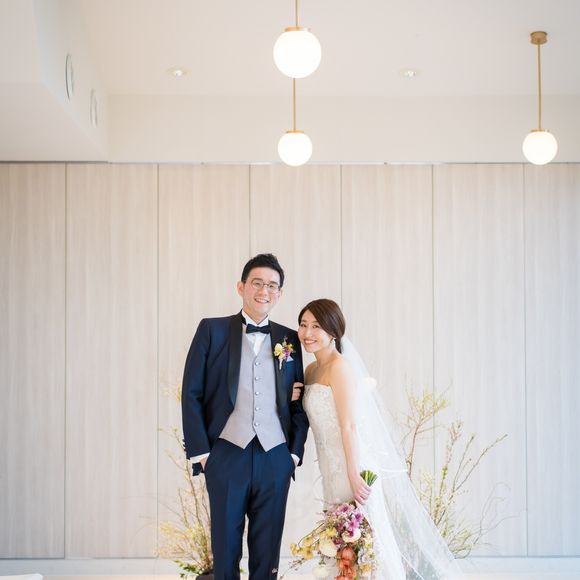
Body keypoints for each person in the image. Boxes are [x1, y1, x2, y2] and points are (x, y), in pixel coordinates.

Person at [293, 298, 461, 579]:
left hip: (351, 466)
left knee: (363, 545)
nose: (307, 333)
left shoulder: (339, 368)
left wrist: (353, 474)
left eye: (316, 326)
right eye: (303, 324)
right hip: (330, 469)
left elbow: (349, 426)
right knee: (341, 547)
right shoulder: (310, 371)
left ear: (333, 332)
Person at [182, 254, 309, 580]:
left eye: (272, 286)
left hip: (275, 456)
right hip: (226, 455)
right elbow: (191, 393)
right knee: (225, 553)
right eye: (257, 283)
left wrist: (293, 455)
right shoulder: (211, 330)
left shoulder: (289, 339)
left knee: (267, 555)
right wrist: (203, 455)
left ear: (279, 293)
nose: (264, 291)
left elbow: (299, 403)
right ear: (241, 287)